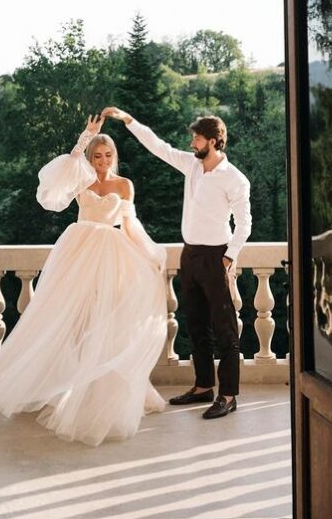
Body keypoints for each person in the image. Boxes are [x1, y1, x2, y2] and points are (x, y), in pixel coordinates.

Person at [0, 115, 167, 446]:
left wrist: (151, 256)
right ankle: (61, 388)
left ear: (115, 157)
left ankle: (98, 395)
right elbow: (56, 184)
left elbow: (130, 225)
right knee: (68, 322)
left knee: (108, 323)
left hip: (111, 253)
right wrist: (85, 139)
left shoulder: (125, 185)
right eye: (98, 155)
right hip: (78, 253)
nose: (103, 161)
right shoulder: (81, 180)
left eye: (108, 155)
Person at [101, 107, 251, 419]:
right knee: (196, 323)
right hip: (189, 254)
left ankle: (228, 395)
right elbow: (158, 146)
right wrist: (130, 120)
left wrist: (228, 257)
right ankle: (203, 386)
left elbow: (245, 223)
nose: (192, 143)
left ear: (213, 141)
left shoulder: (235, 179)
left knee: (225, 330)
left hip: (216, 257)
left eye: (197, 139)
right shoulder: (191, 166)